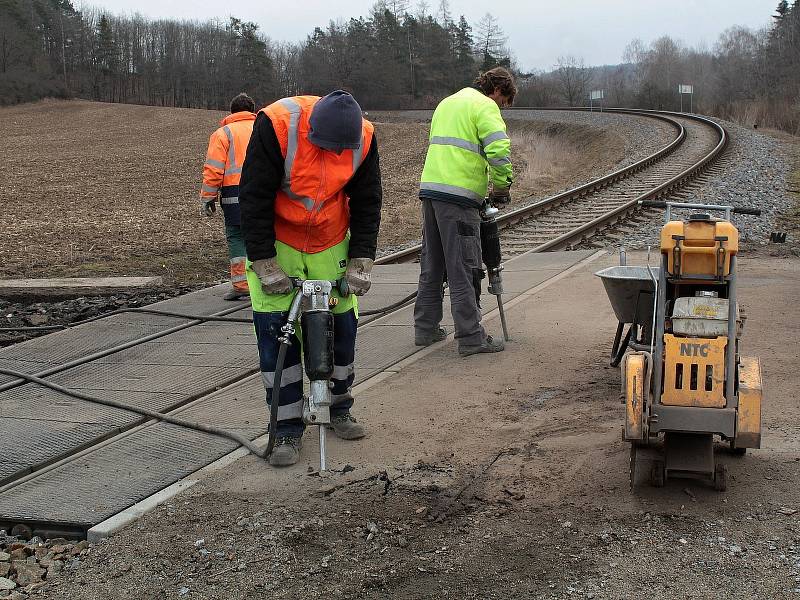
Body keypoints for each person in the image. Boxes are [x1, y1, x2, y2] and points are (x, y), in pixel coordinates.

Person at [239, 90, 382, 467]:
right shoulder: (276, 127)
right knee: (277, 336)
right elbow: (252, 197)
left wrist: (362, 257)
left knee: (341, 327)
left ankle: (339, 408)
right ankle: (285, 427)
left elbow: (368, 199)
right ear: (311, 130)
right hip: (279, 239)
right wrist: (264, 261)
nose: (334, 155)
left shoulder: (364, 138)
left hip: (330, 239)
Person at [413, 67, 517, 357]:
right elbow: (498, 152)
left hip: (431, 191)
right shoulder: (484, 105)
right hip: (458, 197)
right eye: (504, 103)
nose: (502, 108)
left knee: (433, 263)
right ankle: (472, 337)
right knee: (463, 266)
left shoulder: (447, 103)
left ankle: (425, 328)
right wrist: (501, 188)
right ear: (498, 90)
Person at [199, 93, 257, 300]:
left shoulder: (223, 133)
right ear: (252, 110)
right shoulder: (266, 129)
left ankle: (242, 285)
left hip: (234, 195)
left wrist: (208, 197)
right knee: (265, 235)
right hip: (265, 192)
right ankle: (266, 281)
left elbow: (213, 169)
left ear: (232, 111)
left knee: (237, 236)